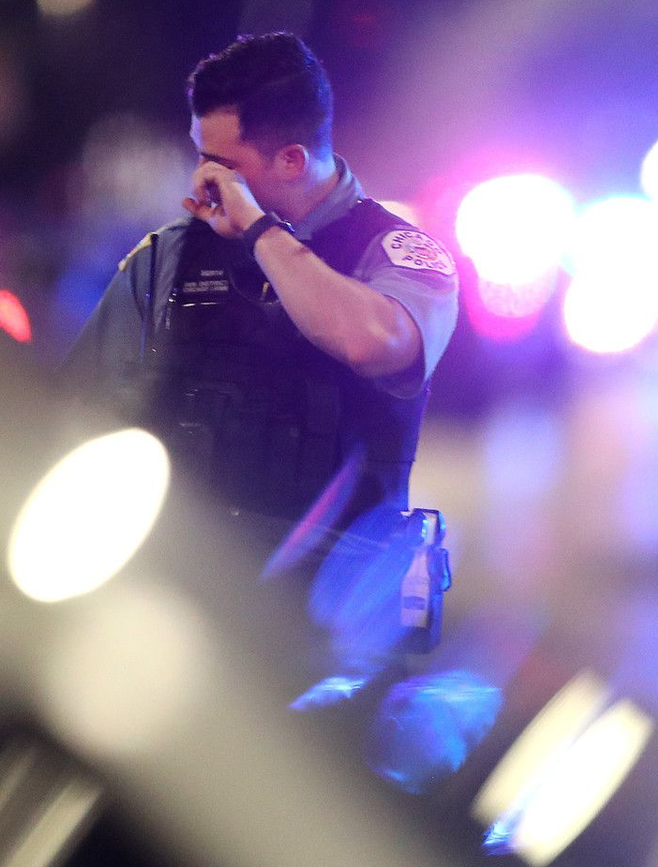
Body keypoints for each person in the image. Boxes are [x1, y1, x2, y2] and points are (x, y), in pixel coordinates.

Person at [64, 31, 457, 652]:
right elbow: (79, 412)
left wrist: (259, 232)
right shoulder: (168, 256)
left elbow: (371, 341)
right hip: (184, 609)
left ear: (293, 160)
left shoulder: (398, 254)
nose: (201, 179)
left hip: (338, 630)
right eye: (199, 156)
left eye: (223, 165)